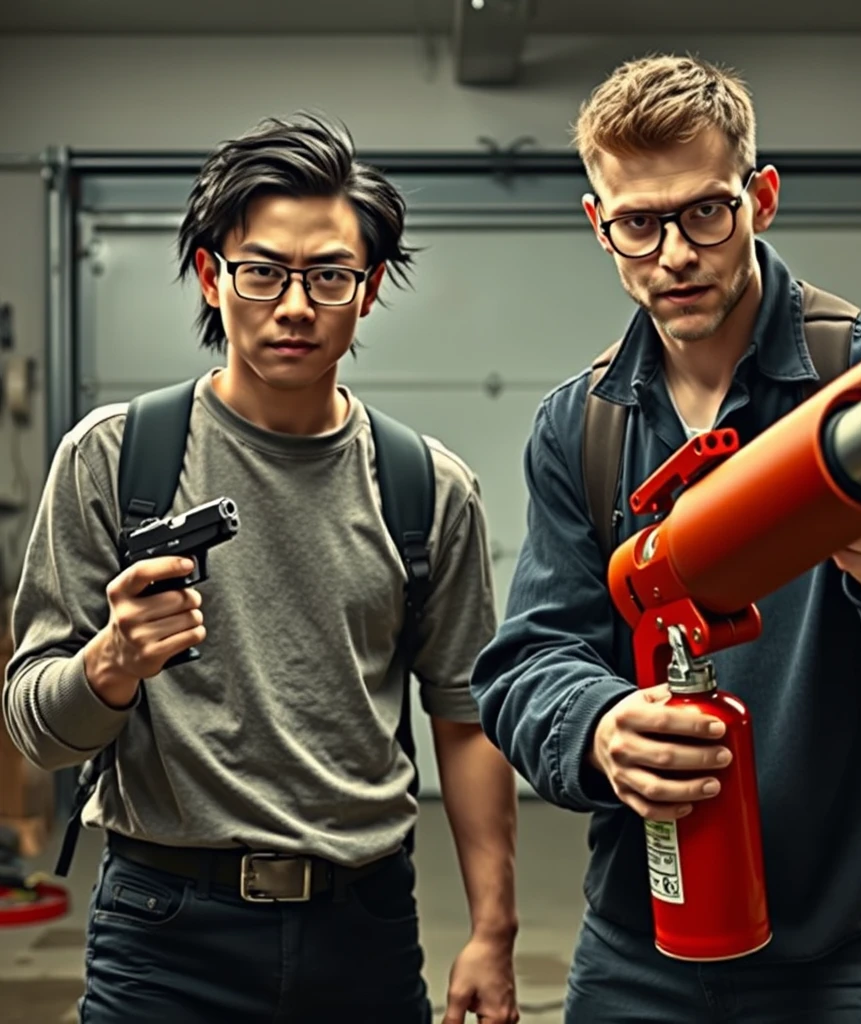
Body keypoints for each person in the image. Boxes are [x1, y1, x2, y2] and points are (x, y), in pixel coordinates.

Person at [470, 54, 861, 1023]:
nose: (674, 254)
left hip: (853, 952)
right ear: (598, 225)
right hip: (639, 946)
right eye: (638, 223)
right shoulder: (582, 426)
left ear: (759, 199)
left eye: (704, 212)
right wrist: (600, 726)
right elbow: (527, 662)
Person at [3, 114, 519, 1024]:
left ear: (368, 293)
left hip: (365, 927)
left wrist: (494, 931)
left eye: (329, 276)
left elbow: (466, 718)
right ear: (212, 275)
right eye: (262, 271)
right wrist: (113, 664)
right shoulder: (115, 461)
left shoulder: (426, 487)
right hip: (163, 934)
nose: (294, 305)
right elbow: (36, 728)